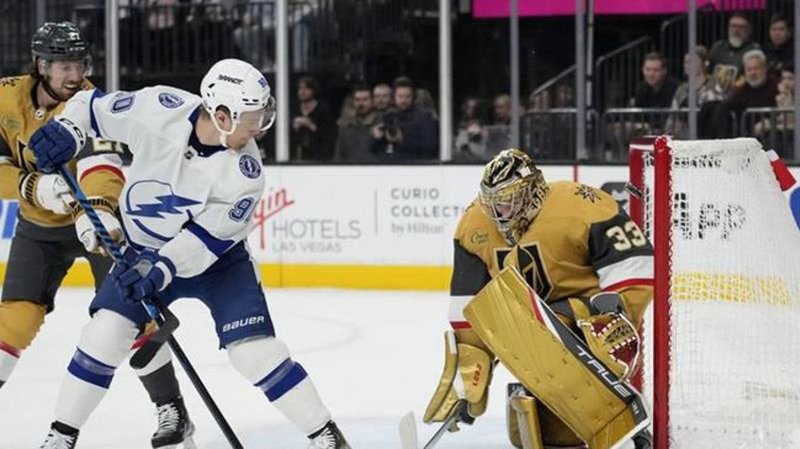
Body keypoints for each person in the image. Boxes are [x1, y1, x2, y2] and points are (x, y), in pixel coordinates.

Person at [29, 58, 351, 449]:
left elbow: (204, 242)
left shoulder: (246, 172)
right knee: (103, 335)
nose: (259, 127)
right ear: (221, 115)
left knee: (254, 353)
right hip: (142, 252)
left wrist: (158, 270)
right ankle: (60, 437)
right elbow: (90, 106)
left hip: (220, 264)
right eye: (252, 117)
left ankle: (326, 435)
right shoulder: (158, 109)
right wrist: (68, 129)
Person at [0, 22, 192, 449]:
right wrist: (31, 187)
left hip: (97, 224)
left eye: (80, 65)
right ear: (40, 66)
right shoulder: (5, 98)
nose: (75, 75)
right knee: (13, 320)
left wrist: (100, 211)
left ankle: (172, 410)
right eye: (64, 66)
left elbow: (103, 166)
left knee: (131, 319)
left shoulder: (93, 105)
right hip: (38, 227)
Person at [423, 149, 654, 449]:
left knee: (545, 330)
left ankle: (610, 412)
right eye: (493, 203)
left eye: (508, 201)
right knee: (549, 421)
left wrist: (618, 317)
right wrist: (470, 372)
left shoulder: (581, 204)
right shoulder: (474, 226)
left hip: (587, 313)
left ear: (533, 192)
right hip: (530, 326)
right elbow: (468, 308)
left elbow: (635, 266)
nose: (499, 213)